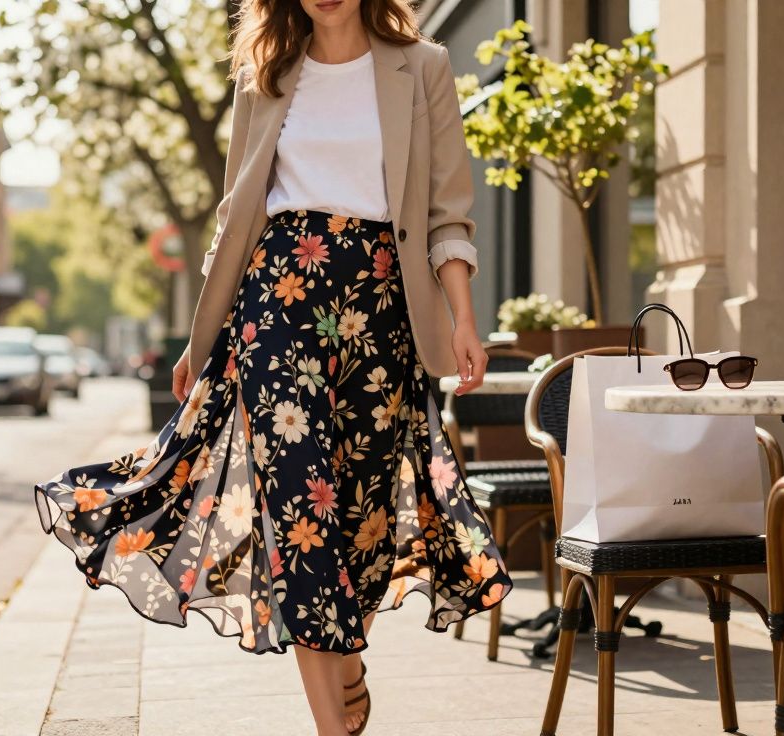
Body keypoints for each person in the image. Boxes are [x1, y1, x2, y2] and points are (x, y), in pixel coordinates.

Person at [35, 1, 511, 733]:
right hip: (278, 303)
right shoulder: (265, 72)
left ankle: (345, 664)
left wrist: (464, 319)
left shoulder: (424, 68)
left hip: (382, 311)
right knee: (300, 514)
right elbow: (236, 216)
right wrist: (202, 336)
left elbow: (447, 211)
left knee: (363, 523)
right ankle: (332, 727)